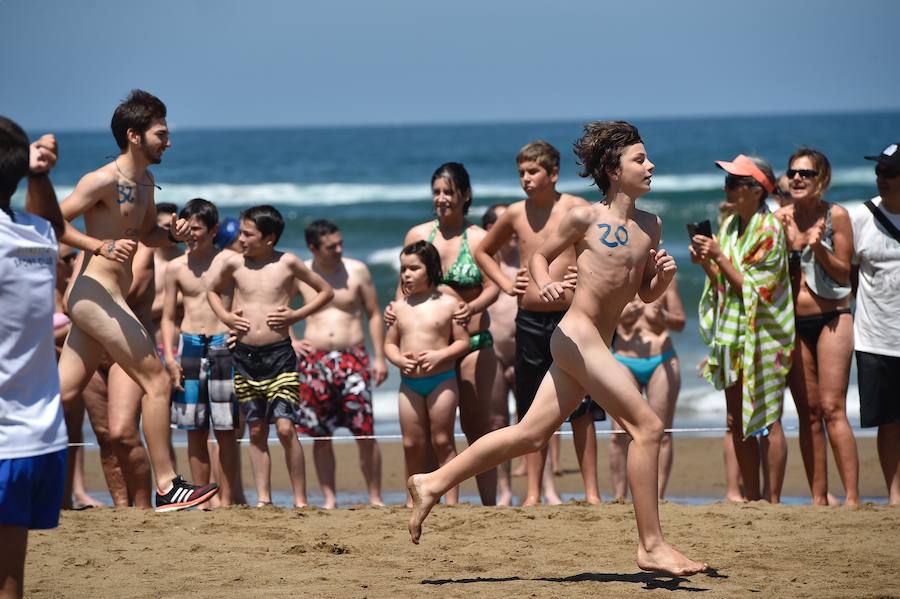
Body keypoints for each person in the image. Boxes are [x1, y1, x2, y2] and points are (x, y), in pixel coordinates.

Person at [407, 121, 707, 576]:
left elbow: (641, 293)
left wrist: (661, 280)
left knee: (529, 434)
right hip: (575, 335)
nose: (651, 166)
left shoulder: (652, 225)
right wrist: (544, 285)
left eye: (648, 159)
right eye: (639, 160)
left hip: (594, 343)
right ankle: (651, 545)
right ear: (612, 170)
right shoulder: (584, 216)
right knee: (646, 428)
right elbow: (538, 257)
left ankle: (431, 483)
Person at [56, 90, 218, 511]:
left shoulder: (144, 181)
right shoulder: (101, 180)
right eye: (161, 134)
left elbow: (146, 234)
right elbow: (51, 222)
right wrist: (100, 246)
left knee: (60, 392)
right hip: (94, 293)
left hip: (105, 297)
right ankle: (168, 485)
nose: (169, 142)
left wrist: (172, 236)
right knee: (157, 381)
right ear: (134, 135)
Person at [472, 141, 603, 506]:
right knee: (530, 409)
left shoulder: (576, 208)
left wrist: (587, 274)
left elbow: (603, 249)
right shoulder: (515, 213)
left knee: (582, 406)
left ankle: (592, 493)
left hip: (571, 317)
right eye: (521, 174)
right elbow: (482, 251)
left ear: (553, 173)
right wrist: (502, 282)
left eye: (533, 172)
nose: (526, 179)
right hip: (529, 320)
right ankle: (532, 493)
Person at [207, 205, 333, 507]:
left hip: (280, 355)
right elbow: (211, 291)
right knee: (256, 429)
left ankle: (300, 500)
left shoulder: (287, 263)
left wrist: (295, 315)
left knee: (286, 427)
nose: (242, 238)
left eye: (248, 234)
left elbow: (326, 291)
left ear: (269, 238)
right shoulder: (234, 264)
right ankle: (264, 499)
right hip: (245, 357)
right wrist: (226, 317)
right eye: (241, 232)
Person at [394, 163, 499, 505]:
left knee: (475, 425)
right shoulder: (419, 235)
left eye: (449, 192)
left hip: (473, 342)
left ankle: (488, 504)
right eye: (437, 192)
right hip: (427, 347)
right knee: (424, 433)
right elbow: (403, 287)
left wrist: (474, 307)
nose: (442, 199)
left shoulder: (480, 238)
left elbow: (495, 286)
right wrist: (394, 314)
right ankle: (427, 499)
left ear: (465, 195)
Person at [692, 154, 794, 503]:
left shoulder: (769, 230)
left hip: (765, 336)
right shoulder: (733, 226)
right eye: (727, 182)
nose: (727, 188)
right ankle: (752, 496)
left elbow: (757, 292)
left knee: (768, 418)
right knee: (737, 419)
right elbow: (724, 285)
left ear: (756, 190)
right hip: (734, 334)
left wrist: (718, 256)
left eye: (734, 182)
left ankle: (774, 499)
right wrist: (707, 261)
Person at [0, 118, 67, 599]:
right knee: (11, 584)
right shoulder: (39, 237)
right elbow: (57, 225)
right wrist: (37, 173)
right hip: (37, 438)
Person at [776, 148, 859, 506]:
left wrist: (816, 247)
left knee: (832, 408)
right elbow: (772, 279)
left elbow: (845, 273)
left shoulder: (836, 216)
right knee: (807, 414)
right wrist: (792, 246)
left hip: (833, 317)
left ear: (821, 179)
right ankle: (818, 498)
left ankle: (854, 498)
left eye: (806, 174)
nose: (797, 178)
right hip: (793, 321)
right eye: (793, 172)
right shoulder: (779, 219)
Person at [294, 219, 387, 508]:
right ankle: (329, 498)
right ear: (313, 247)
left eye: (340, 243)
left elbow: (373, 313)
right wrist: (291, 341)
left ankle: (374, 497)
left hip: (353, 357)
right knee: (320, 435)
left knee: (365, 430)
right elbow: (278, 306)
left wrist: (380, 357)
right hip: (315, 360)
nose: (338, 249)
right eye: (330, 246)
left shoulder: (357, 270)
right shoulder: (302, 273)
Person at [162, 198, 242, 507]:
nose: (192, 234)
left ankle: (228, 497)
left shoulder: (229, 261)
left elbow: (250, 297)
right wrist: (170, 357)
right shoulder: (175, 268)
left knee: (225, 428)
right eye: (188, 227)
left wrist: (239, 330)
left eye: (198, 228)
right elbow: (169, 317)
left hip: (223, 344)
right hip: (190, 344)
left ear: (213, 230)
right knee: (193, 426)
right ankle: (201, 498)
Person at [385, 241, 470, 507]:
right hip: (409, 384)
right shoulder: (399, 307)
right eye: (403, 269)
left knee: (443, 440)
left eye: (413, 268)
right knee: (411, 443)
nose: (406, 274)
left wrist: (440, 355)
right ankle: (414, 500)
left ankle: (452, 500)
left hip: (441, 381)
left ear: (430, 269)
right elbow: (389, 343)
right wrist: (398, 359)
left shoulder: (448, 303)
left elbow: (462, 342)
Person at [850, 142, 900, 504]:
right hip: (874, 338)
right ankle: (894, 495)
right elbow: (848, 274)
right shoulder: (861, 216)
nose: (881, 179)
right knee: (888, 422)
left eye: (890, 173)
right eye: (878, 171)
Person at [610, 278, 686, 501]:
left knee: (662, 433)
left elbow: (680, 321)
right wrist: (621, 316)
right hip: (625, 359)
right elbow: (596, 317)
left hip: (661, 359)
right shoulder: (619, 277)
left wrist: (664, 317)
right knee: (619, 433)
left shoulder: (665, 280)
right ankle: (619, 496)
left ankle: (658, 496)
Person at [481, 204, 517, 506]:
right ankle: (504, 488)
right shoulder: (486, 267)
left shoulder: (532, 259)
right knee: (497, 422)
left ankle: (541, 486)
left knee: (535, 422)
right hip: (494, 352)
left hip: (526, 352)